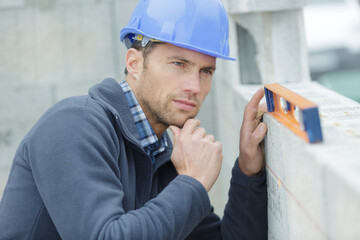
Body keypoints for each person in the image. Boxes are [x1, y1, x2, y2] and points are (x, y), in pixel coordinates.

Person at [0, 0, 268, 239]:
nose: (195, 86)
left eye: (206, 70)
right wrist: (192, 183)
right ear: (134, 63)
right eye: (179, 64)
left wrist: (248, 170)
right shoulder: (74, 126)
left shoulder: (161, 154)